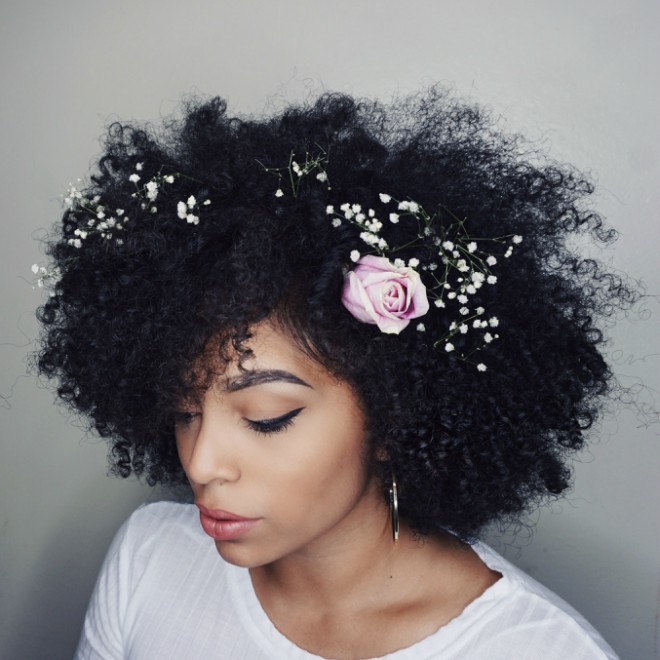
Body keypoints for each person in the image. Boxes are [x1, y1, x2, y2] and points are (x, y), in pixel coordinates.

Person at [35, 88, 630, 659]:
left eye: (268, 418)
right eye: (185, 411)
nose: (201, 463)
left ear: (394, 416)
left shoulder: (536, 649)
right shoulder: (151, 558)